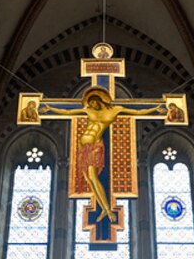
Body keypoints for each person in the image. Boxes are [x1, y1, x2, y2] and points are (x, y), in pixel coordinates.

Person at [40, 87, 163, 222]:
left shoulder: (115, 110)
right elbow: (67, 111)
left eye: (93, 102)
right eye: (90, 103)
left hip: (95, 146)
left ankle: (108, 210)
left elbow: (138, 111)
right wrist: (49, 108)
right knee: (88, 179)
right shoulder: (88, 110)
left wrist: (156, 109)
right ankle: (104, 209)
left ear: (99, 100)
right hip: (83, 148)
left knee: (93, 177)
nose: (92, 105)